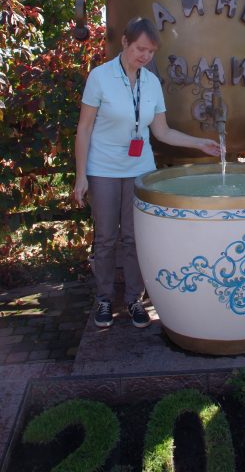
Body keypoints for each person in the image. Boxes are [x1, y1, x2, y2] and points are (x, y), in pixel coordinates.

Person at [74, 17, 221, 329]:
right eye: (140, 48)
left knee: (134, 237)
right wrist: (81, 175)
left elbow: (163, 131)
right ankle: (103, 298)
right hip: (103, 169)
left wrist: (199, 143)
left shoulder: (151, 83)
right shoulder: (100, 77)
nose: (144, 56)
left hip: (140, 169)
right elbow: (84, 129)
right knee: (106, 238)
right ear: (125, 43)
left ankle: (133, 299)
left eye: (150, 51)